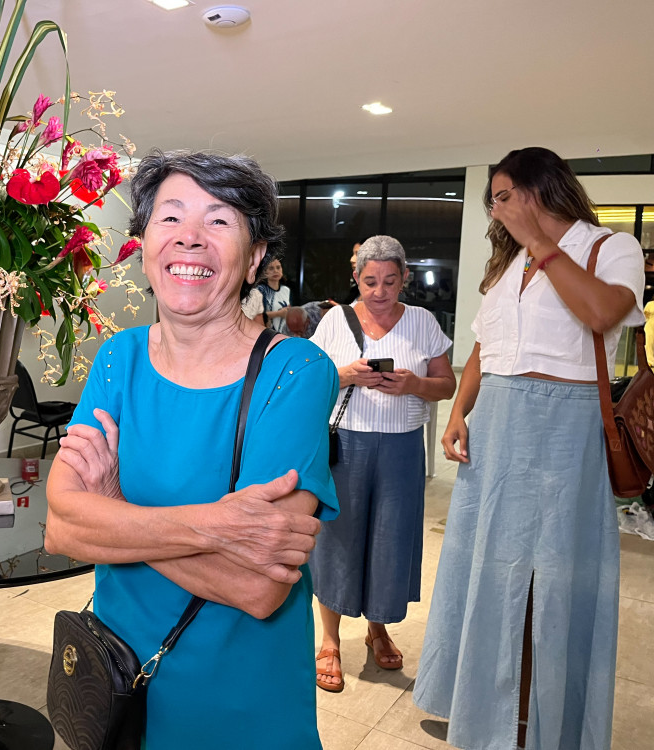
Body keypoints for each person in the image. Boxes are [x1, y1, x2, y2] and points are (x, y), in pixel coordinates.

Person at [44, 150, 340, 749]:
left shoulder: (295, 371)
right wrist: (219, 528)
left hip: (242, 701)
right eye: (171, 216)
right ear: (144, 243)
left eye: (220, 220)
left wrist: (113, 511)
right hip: (121, 681)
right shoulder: (119, 358)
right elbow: (61, 529)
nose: (190, 238)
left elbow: (258, 589)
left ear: (254, 257)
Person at [413, 147, 644, 750]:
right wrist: (460, 412)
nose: (496, 208)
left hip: (564, 428)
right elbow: (485, 348)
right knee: (483, 570)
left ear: (541, 188)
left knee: (555, 579)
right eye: (493, 199)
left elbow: (602, 313)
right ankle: (479, 711)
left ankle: (546, 725)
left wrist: (540, 242)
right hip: (496, 426)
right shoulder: (507, 264)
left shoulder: (609, 246)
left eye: (504, 195)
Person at [307, 235, 456, 692]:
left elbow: (446, 385)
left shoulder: (422, 322)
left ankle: (378, 628)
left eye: (390, 281)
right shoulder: (335, 320)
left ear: (405, 278)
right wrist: (345, 375)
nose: (380, 291)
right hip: (345, 446)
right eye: (370, 281)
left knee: (390, 540)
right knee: (338, 538)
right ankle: (329, 640)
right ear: (356, 278)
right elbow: (309, 379)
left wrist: (414, 385)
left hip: (402, 449)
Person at [258, 257, 292, 332]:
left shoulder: (286, 290)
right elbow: (257, 315)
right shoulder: (260, 290)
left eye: (278, 267)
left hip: (284, 332)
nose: (275, 271)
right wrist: (278, 313)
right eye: (271, 268)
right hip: (266, 332)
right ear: (264, 272)